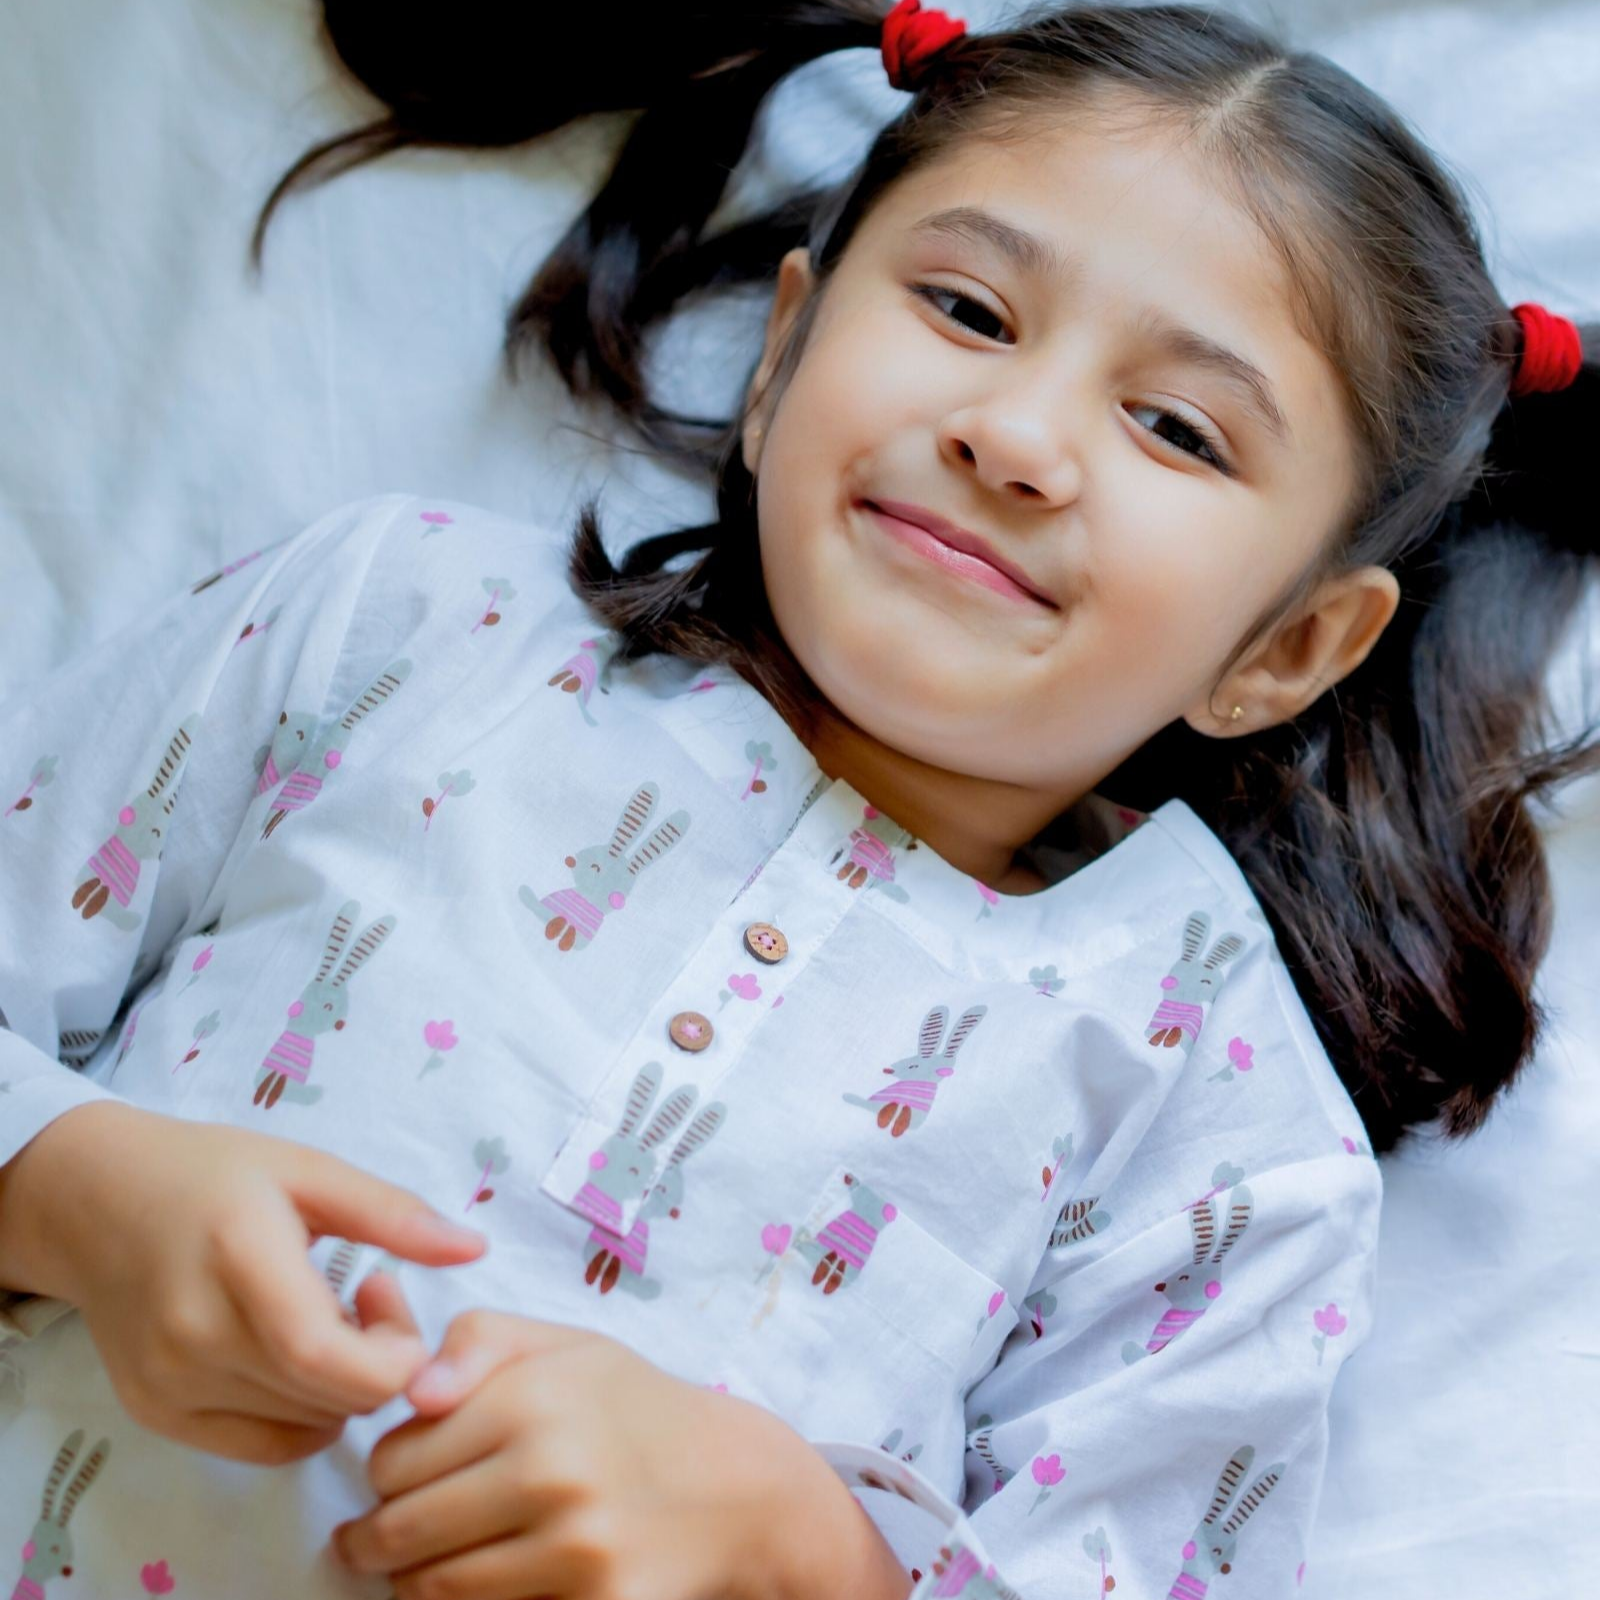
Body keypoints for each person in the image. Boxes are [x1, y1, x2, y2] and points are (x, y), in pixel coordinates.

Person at [1, 2, 1594, 1597]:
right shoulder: (387, 624)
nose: (1019, 437)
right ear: (782, 360)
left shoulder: (1224, 1126)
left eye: (1178, 427)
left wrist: (800, 1548)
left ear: (1289, 647)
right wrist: (80, 1196)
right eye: (970, 310)